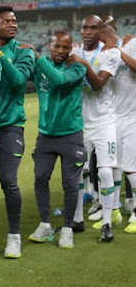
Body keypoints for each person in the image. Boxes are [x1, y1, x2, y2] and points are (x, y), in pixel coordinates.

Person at [25, 31, 88, 248]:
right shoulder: (40, 67)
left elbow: (59, 80)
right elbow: (19, 73)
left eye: (66, 47)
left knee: (70, 184)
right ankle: (45, 225)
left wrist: (38, 58)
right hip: (46, 136)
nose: (61, 51)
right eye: (58, 46)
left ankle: (68, 228)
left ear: (71, 48)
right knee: (40, 178)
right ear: (50, 45)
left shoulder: (77, 68)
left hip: (71, 135)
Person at [0, 5, 35, 259]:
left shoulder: (23, 52)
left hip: (10, 126)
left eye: (14, 21)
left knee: (8, 181)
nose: (13, 24)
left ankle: (14, 236)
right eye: (6, 21)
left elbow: (18, 81)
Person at [73, 15, 123, 242]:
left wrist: (82, 63)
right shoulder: (75, 50)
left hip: (105, 121)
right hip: (80, 121)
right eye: (85, 27)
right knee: (76, 171)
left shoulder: (110, 53)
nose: (88, 31)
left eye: (93, 28)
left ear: (101, 31)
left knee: (104, 171)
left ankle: (107, 222)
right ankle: (77, 219)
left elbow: (98, 84)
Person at [105, 25, 136, 233]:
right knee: (112, 166)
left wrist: (118, 50)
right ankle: (113, 210)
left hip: (132, 116)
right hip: (111, 117)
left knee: (131, 168)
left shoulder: (132, 43)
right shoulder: (103, 52)